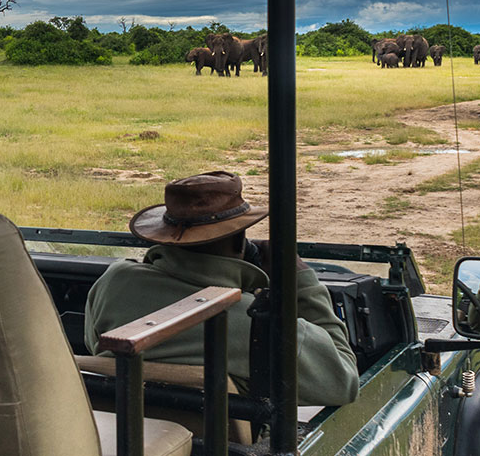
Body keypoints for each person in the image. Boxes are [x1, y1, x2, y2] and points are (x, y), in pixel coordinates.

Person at [83, 171, 359, 406]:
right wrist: (301, 281)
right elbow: (344, 380)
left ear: (165, 236)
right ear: (241, 242)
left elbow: (94, 346)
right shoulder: (258, 324)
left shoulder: (115, 281)